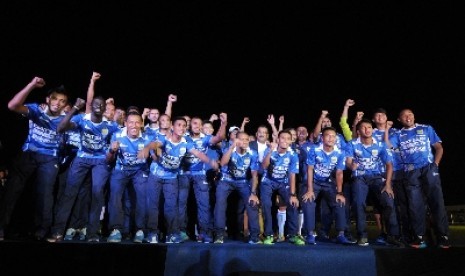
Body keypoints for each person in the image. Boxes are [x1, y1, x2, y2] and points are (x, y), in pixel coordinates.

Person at [47, 74, 120, 243]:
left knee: (96, 193)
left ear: (104, 109)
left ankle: (92, 233)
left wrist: (113, 150)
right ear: (90, 106)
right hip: (81, 158)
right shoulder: (81, 119)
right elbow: (60, 128)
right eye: (95, 104)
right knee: (69, 193)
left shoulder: (110, 125)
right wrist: (73, 109)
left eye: (101, 105)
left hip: (100, 161)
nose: (98, 106)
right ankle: (58, 231)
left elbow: (117, 143)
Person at [0, 77, 69, 241]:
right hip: (29, 153)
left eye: (61, 101)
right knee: (12, 190)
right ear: (48, 99)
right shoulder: (37, 110)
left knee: (45, 194)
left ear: (65, 105)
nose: (57, 103)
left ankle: (41, 231)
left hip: (50, 157)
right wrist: (31, 85)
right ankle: (2, 228)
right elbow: (12, 106)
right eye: (54, 99)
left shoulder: (66, 119)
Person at [138, 116, 218, 243]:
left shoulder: (186, 143)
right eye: (179, 125)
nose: (182, 128)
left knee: (171, 206)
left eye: (184, 125)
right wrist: (147, 148)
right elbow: (155, 144)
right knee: (153, 205)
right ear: (172, 127)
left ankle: (172, 234)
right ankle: (152, 233)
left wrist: (210, 161)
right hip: (156, 176)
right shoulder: (164, 140)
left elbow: (198, 153)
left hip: (171, 178)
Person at [389, 108, 450, 249]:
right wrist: (387, 129)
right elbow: (386, 145)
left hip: (428, 168)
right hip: (410, 172)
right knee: (415, 205)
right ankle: (419, 237)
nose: (407, 117)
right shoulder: (398, 134)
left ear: (414, 116)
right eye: (404, 116)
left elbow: (439, 148)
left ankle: (443, 237)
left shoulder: (426, 128)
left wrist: (435, 165)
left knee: (436, 202)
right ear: (399, 119)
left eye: (410, 114)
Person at [345, 119, 401, 246]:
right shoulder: (352, 144)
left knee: (388, 201)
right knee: (358, 203)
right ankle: (362, 235)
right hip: (360, 177)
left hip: (376, 177)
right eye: (364, 128)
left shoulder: (380, 144)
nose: (367, 129)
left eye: (369, 127)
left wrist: (387, 185)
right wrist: (351, 165)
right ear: (358, 131)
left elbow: (389, 165)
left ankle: (392, 235)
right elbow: (348, 161)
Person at [178, 113, 227, 242]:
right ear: (189, 125)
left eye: (200, 125)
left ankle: (205, 233)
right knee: (181, 203)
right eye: (195, 123)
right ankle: (181, 231)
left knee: (204, 204)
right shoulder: (183, 137)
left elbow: (219, 137)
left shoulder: (205, 138)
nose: (198, 126)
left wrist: (223, 123)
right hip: (184, 173)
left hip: (200, 174)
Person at [301, 126, 353, 245]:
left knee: (340, 201)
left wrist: (339, 193)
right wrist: (310, 190)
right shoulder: (314, 150)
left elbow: (339, 173)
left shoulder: (340, 153)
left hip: (328, 182)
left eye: (333, 136)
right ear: (322, 138)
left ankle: (341, 234)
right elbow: (310, 169)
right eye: (328, 135)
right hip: (313, 181)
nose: (331, 138)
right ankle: (309, 233)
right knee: (308, 201)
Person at [106, 112, 151, 243]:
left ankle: (140, 230)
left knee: (142, 197)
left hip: (139, 170)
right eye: (131, 122)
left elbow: (157, 155)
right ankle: (116, 230)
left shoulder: (147, 138)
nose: (134, 125)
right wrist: (112, 151)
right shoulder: (117, 136)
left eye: (137, 122)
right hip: (121, 170)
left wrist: (150, 150)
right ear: (125, 123)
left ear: (141, 124)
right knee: (115, 196)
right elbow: (108, 160)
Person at [213, 131, 261, 244]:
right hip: (226, 180)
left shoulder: (253, 153)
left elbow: (254, 175)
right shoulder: (230, 149)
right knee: (220, 203)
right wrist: (231, 147)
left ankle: (254, 236)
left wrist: (253, 193)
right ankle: (219, 234)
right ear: (236, 140)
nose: (244, 142)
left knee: (252, 203)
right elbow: (223, 163)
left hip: (243, 182)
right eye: (241, 139)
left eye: (246, 139)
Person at [260, 130, 303, 245]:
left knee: (293, 203)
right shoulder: (269, 150)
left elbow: (292, 174)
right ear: (278, 140)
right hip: (268, 181)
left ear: (291, 141)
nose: (285, 140)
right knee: (266, 204)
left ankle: (292, 235)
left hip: (283, 182)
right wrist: (270, 150)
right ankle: (268, 234)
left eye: (287, 138)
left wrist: (293, 195)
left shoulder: (293, 155)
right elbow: (263, 166)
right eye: (282, 138)